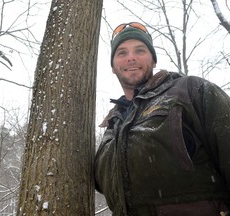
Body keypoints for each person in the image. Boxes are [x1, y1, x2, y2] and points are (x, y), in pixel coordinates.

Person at [94, 22, 230, 216]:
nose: (131, 57)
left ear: (154, 60)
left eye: (139, 50)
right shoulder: (112, 126)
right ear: (113, 67)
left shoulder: (192, 91)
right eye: (122, 53)